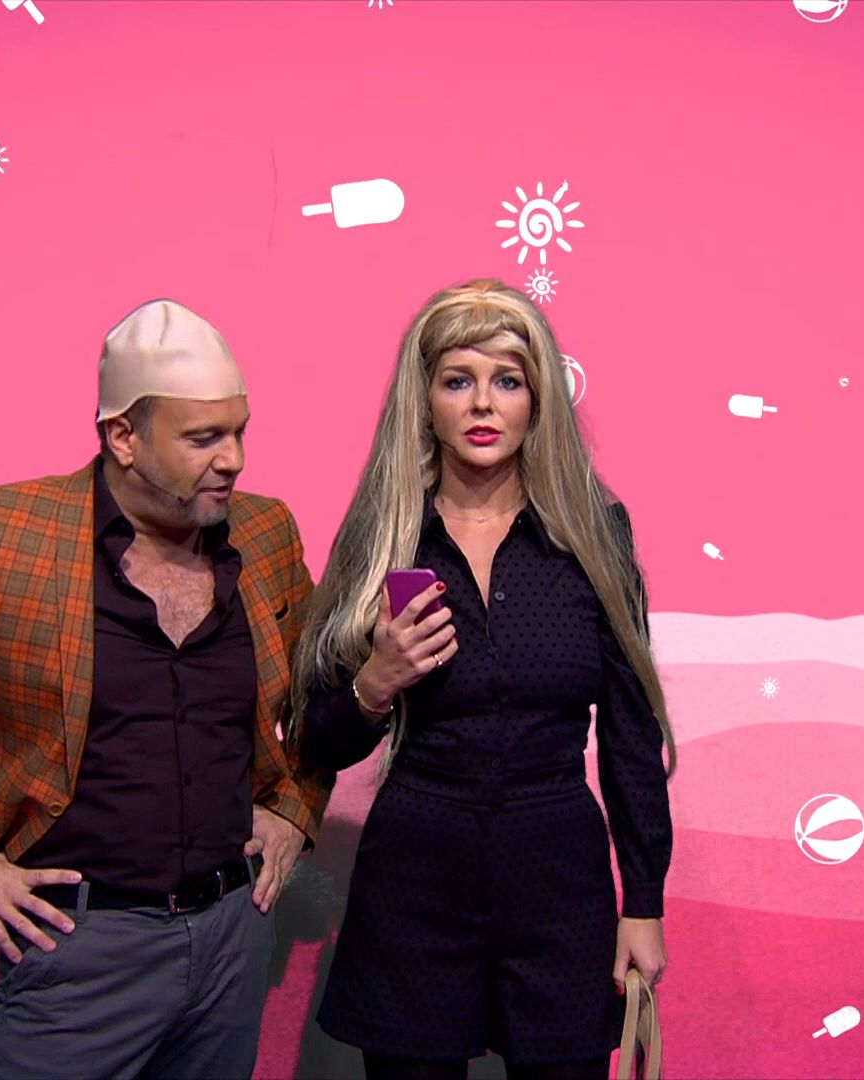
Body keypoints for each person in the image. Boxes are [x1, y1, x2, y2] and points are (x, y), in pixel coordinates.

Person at [0, 297, 332, 1079]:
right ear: (123, 437)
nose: (233, 459)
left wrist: (295, 808)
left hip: (234, 935)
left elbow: (324, 692)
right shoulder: (3, 535)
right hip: (79, 948)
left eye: (239, 431)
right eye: (203, 438)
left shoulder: (264, 533)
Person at [288, 279, 676, 1079]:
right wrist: (376, 682)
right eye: (457, 380)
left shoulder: (594, 534)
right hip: (414, 882)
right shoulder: (385, 535)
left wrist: (643, 902)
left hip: (559, 881)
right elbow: (315, 738)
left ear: (539, 399)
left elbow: (632, 739)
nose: (482, 405)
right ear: (424, 399)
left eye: (508, 381)